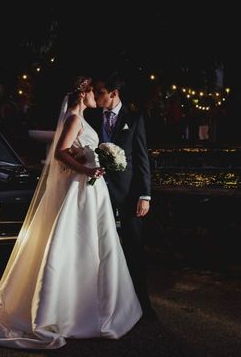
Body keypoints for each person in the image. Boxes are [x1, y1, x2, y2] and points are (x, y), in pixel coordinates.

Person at [0, 76, 142, 349]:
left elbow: (72, 153)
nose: (96, 97)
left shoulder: (79, 118)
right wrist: (87, 169)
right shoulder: (74, 119)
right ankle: (66, 310)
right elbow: (60, 154)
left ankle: (90, 304)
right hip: (81, 187)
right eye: (93, 93)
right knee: (75, 243)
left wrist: (92, 159)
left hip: (88, 190)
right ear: (83, 94)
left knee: (91, 243)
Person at [87, 74, 156, 319]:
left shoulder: (134, 118)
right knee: (99, 250)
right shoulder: (91, 117)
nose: (96, 96)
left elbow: (141, 158)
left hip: (127, 195)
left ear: (114, 92)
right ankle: (102, 306)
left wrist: (144, 195)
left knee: (134, 249)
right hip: (96, 191)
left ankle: (143, 307)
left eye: (100, 91)